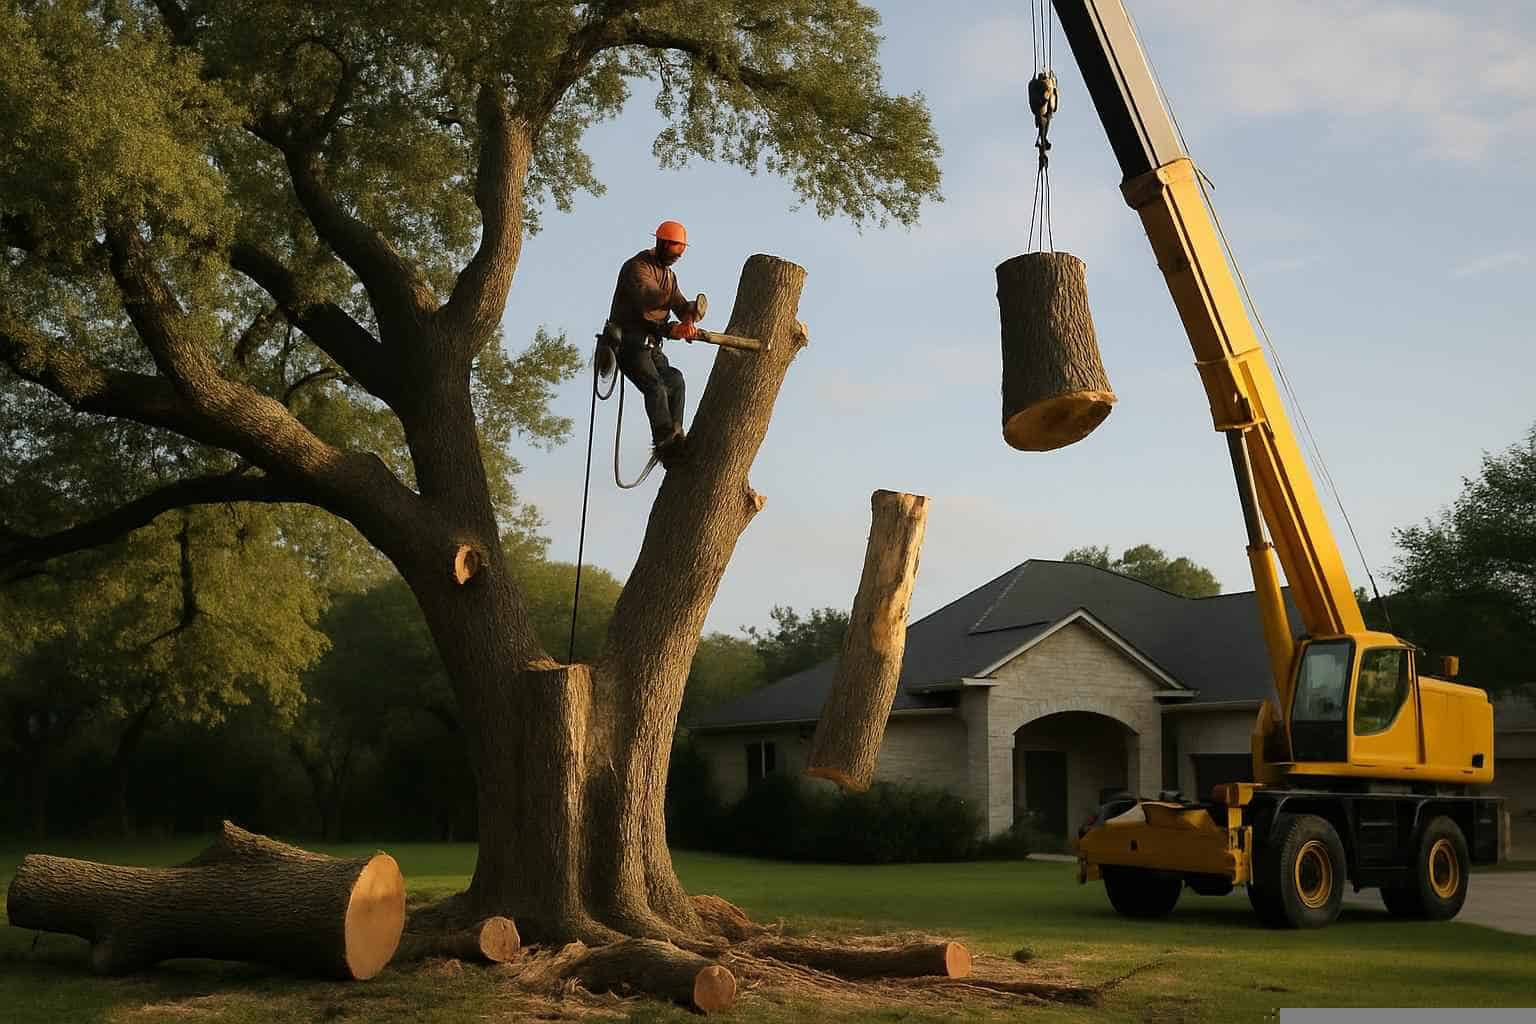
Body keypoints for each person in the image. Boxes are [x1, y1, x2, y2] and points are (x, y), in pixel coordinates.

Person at [603, 220, 703, 465]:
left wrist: (689, 317)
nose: (678, 257)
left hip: (651, 344)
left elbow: (680, 305)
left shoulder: (669, 276)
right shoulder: (637, 268)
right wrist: (674, 314)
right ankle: (665, 444)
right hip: (629, 343)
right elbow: (650, 298)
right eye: (675, 250)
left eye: (681, 252)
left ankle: (677, 435)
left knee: (675, 380)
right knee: (656, 388)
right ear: (663, 243)